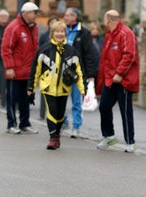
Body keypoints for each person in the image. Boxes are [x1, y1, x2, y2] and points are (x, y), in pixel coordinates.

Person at [27, 22, 85, 150]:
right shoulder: (44, 49)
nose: (59, 34)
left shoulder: (71, 51)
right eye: (56, 32)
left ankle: (57, 134)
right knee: (52, 111)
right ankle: (52, 138)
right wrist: (31, 88)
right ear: (52, 34)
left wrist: (82, 89)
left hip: (64, 89)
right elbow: (35, 70)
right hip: (48, 87)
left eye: (62, 32)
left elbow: (79, 71)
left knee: (60, 114)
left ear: (65, 33)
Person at [96, 10, 139, 153]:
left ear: (108, 20)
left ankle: (130, 142)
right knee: (104, 107)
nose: (103, 22)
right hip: (110, 80)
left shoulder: (126, 34)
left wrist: (120, 73)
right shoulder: (109, 35)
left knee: (125, 111)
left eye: (103, 19)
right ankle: (109, 135)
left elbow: (129, 55)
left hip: (123, 80)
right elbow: (105, 59)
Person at [1, 2, 40, 135]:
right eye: (35, 13)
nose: (36, 16)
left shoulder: (34, 28)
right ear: (27, 13)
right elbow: (6, 49)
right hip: (15, 72)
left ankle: (25, 123)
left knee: (26, 98)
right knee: (12, 99)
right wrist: (10, 67)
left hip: (28, 72)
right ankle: (11, 124)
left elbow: (35, 49)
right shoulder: (14, 28)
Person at [62, 7, 95, 138]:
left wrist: (90, 75)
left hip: (77, 73)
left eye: (67, 15)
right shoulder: (62, 30)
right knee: (60, 99)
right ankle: (63, 121)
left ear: (75, 17)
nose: (65, 17)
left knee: (76, 101)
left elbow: (88, 55)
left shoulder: (84, 33)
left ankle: (76, 126)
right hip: (62, 72)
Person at [89, 21, 104, 85]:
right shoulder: (87, 40)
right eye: (93, 29)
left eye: (97, 29)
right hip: (90, 68)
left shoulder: (101, 41)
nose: (95, 31)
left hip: (99, 67)